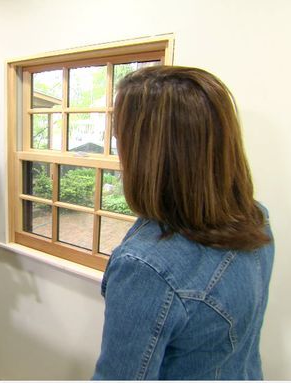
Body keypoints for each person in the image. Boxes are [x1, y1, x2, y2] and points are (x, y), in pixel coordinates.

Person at [92, 66, 274, 380]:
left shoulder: (145, 267)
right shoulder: (255, 218)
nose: (117, 146)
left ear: (147, 153)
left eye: (120, 137)